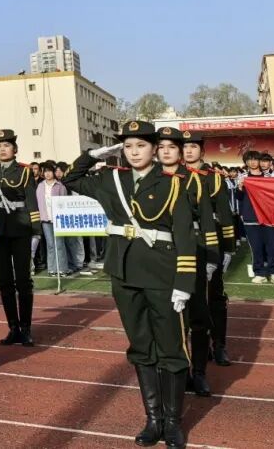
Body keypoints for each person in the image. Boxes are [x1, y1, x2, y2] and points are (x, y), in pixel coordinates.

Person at [62, 121, 195, 449]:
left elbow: (184, 234)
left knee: (171, 349)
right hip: (124, 273)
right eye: (128, 146)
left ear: (155, 149)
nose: (134, 152)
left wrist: (184, 281)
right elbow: (71, 178)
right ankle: (153, 420)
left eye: (141, 145)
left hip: (162, 274)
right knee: (141, 347)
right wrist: (92, 155)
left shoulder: (173, 183)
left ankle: (173, 423)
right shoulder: (111, 180)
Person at [157, 128, 218, 398]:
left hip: (192, 251)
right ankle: (177, 373)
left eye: (171, 147)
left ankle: (200, 372)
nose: (166, 152)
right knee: (169, 318)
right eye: (161, 147)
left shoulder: (194, 179)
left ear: (180, 151)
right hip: (161, 254)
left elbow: (206, 220)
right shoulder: (150, 179)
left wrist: (212, 256)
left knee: (198, 316)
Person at [181, 131, 235, 369]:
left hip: (210, 241)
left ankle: (219, 344)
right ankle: (194, 347)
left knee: (215, 296)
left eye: (193, 147)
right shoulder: (176, 175)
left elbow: (224, 213)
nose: (188, 151)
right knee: (188, 296)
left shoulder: (214, 178)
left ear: (202, 151)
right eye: (185, 147)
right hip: (185, 241)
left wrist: (228, 248)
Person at [0, 129, 42, 346]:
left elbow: (31, 201)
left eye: (6, 145)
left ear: (15, 149)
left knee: (23, 281)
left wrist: (35, 229)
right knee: (4, 281)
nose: (2, 149)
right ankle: (13, 327)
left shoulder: (24, 171)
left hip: (20, 228)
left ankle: (26, 328)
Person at [236, 151, 274, 284]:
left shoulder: (269, 177)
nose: (252, 162)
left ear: (259, 161)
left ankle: (273, 273)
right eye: (249, 160)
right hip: (250, 216)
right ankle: (259, 273)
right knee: (256, 247)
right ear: (246, 162)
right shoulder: (243, 177)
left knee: (271, 247)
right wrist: (240, 187)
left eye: (255, 159)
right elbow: (239, 197)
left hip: (268, 216)